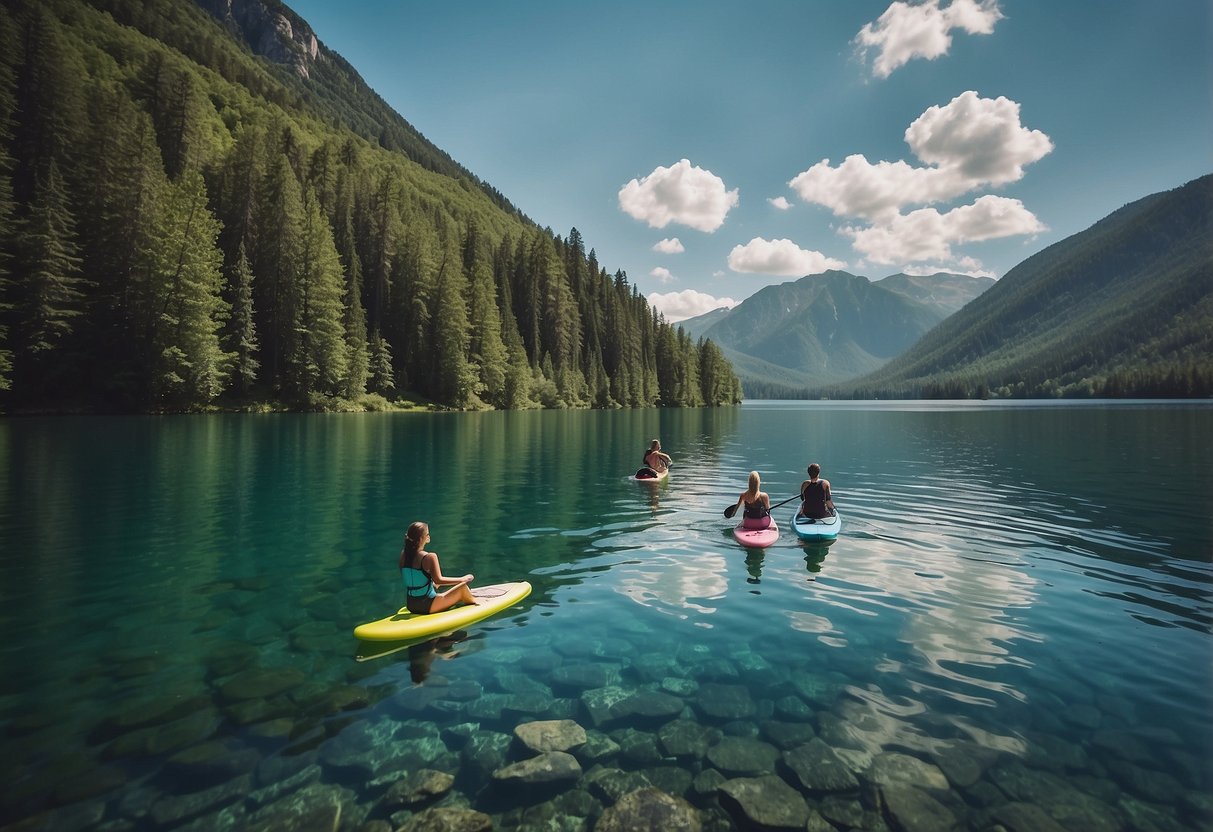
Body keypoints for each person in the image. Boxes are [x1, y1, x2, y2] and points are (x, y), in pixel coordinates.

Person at [398, 521, 478, 614]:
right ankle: (479, 604)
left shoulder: (403, 555)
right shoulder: (430, 557)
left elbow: (413, 578)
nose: (429, 537)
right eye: (427, 534)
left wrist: (432, 583)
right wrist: (462, 579)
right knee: (462, 588)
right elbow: (439, 580)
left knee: (437, 589)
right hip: (427, 605)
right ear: (420, 539)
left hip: (411, 604)